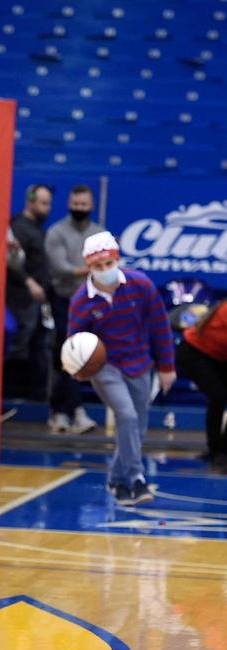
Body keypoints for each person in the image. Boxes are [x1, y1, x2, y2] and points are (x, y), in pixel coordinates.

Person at [68, 231, 175, 506]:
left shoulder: (141, 284)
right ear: (89, 267)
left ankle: (116, 481)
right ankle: (137, 478)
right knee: (126, 416)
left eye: (109, 264)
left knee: (137, 427)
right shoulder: (81, 301)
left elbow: (161, 326)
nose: (105, 270)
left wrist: (167, 366)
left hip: (139, 362)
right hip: (105, 367)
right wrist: (76, 366)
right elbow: (74, 344)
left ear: (117, 260)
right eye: (98, 266)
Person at [45, 184, 103, 434]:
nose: (80, 208)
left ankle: (59, 411)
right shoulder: (56, 232)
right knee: (67, 353)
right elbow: (61, 268)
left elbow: (107, 267)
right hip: (63, 300)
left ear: (91, 206)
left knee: (78, 356)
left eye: (84, 205)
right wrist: (92, 268)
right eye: (76, 204)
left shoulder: (98, 233)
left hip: (89, 302)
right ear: (70, 204)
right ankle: (74, 411)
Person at [6, 183, 53, 402]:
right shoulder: (21, 227)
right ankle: (10, 393)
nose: (47, 209)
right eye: (43, 203)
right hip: (20, 298)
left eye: (49, 204)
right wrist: (29, 283)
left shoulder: (36, 227)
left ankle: (35, 395)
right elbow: (12, 262)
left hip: (36, 299)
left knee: (38, 344)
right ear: (30, 202)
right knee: (20, 344)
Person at [176, 301, 227, 473]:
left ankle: (221, 450)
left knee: (218, 398)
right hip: (194, 352)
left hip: (218, 355)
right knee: (218, 396)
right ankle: (216, 452)